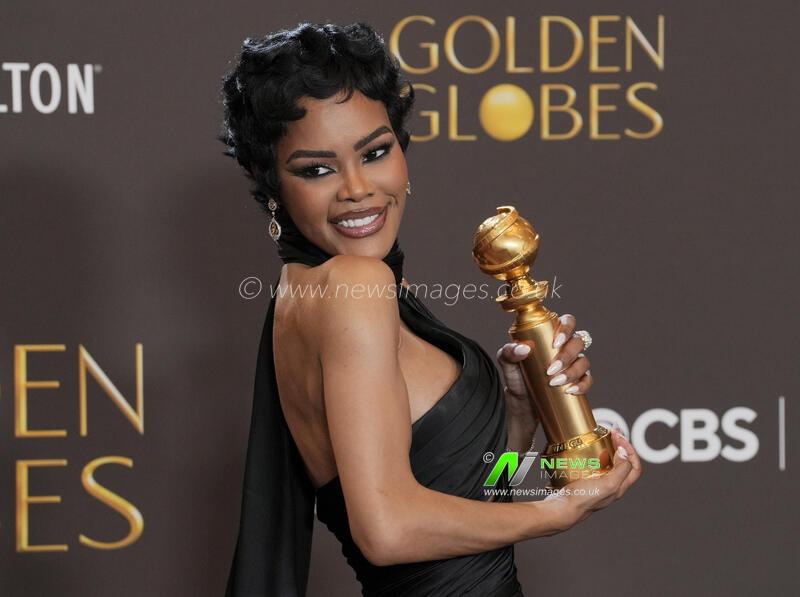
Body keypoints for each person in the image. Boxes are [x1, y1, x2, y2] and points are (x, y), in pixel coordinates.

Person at [218, 21, 642, 597]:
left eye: (374, 152)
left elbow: (472, 496)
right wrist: (558, 511)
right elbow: (387, 530)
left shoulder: (307, 293)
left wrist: (517, 411)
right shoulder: (352, 286)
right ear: (272, 184)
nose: (357, 189)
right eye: (316, 169)